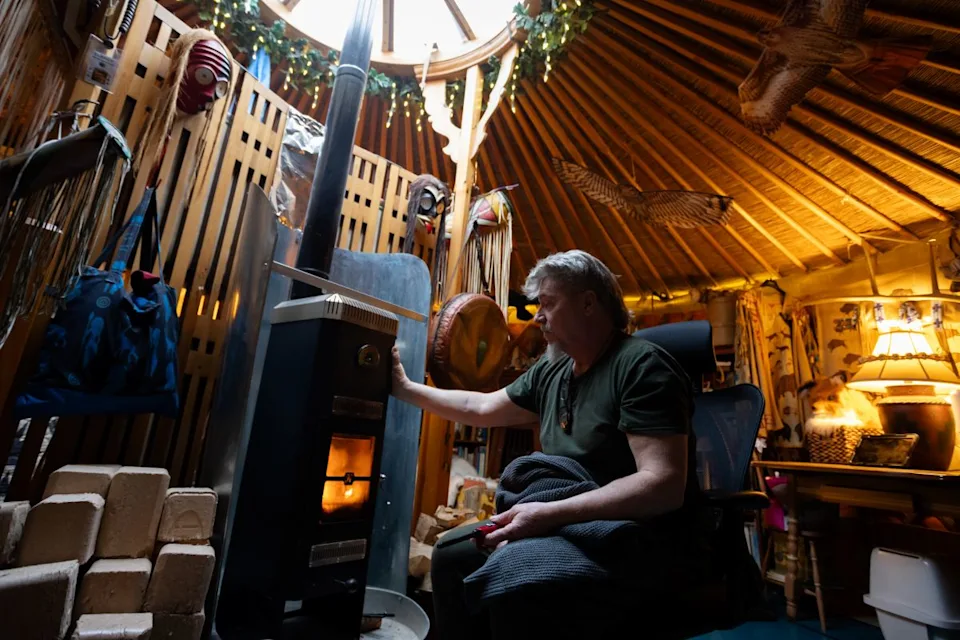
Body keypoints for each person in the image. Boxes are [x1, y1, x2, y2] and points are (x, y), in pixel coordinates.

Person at [391, 250, 703, 639]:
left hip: (633, 533)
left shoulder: (641, 368)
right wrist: (405, 389)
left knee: (516, 575)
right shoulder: (553, 368)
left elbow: (663, 485)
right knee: (452, 554)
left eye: (548, 303)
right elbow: (482, 404)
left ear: (588, 303)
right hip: (568, 519)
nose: (538, 316)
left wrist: (549, 514)